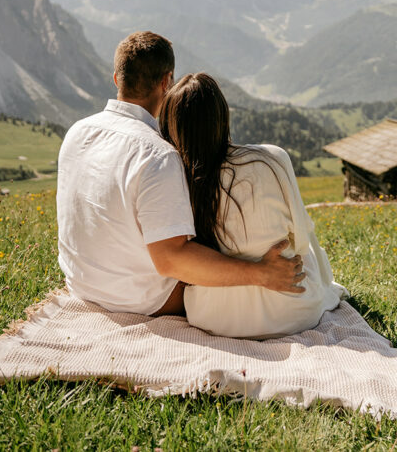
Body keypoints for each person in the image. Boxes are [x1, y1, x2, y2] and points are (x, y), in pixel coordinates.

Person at [57, 32, 305, 318]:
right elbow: (172, 260)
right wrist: (261, 273)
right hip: (141, 300)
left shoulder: (77, 132)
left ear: (117, 79)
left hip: (82, 284)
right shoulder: (157, 155)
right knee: (240, 293)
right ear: (166, 82)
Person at [158, 72, 348, 338]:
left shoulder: (172, 178)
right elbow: (303, 240)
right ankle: (328, 288)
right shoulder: (270, 159)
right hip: (292, 310)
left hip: (215, 318)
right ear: (222, 118)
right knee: (308, 252)